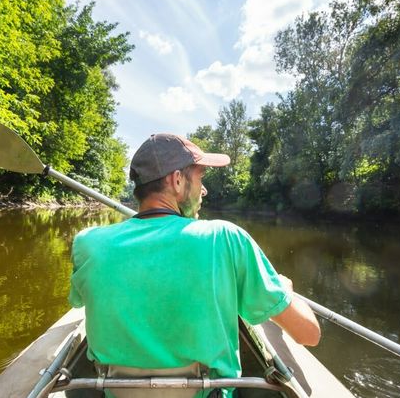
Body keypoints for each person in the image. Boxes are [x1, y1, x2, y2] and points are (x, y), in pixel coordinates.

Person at [68, 133, 320, 397]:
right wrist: (284, 289)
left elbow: (79, 302)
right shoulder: (225, 238)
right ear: (177, 180)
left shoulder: (88, 244)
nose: (204, 190)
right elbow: (309, 334)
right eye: (200, 178)